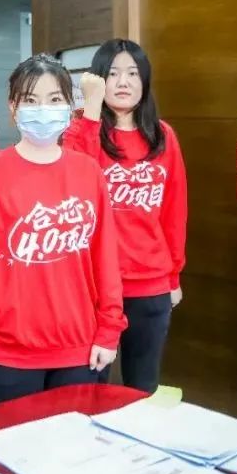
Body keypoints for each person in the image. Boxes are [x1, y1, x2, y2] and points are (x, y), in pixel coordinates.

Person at [0, 53, 127, 406]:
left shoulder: (87, 171)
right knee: (10, 441)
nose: (43, 110)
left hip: (78, 350)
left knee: (72, 441)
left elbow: (105, 256)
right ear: (13, 107)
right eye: (31, 100)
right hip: (10, 354)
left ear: (69, 107)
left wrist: (110, 329)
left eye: (54, 99)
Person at [63, 38, 186, 393]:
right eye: (113, 73)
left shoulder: (163, 136)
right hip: (94, 286)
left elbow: (174, 210)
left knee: (142, 388)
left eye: (133, 73)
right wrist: (90, 109)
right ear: (98, 79)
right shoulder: (80, 131)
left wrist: (173, 275)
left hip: (150, 283)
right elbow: (74, 181)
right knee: (89, 387)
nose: (123, 82)